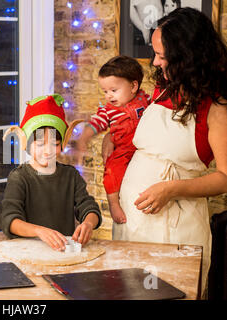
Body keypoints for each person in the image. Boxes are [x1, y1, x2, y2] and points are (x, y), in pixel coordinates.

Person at [106, 8, 227, 296]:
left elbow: (225, 177)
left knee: (168, 292)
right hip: (134, 222)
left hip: (176, 227)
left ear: (188, 56)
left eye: (162, 55)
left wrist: (171, 189)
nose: (155, 61)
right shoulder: (165, 88)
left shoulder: (217, 108)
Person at [0, 94, 102, 251]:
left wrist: (88, 223)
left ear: (63, 143)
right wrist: (39, 231)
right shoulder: (19, 177)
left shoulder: (70, 176)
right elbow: (9, 220)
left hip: (62, 252)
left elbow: (89, 207)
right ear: (26, 143)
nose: (47, 151)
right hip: (28, 252)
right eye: (40, 144)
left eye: (55, 144)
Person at [76, 56, 150, 225]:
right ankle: (114, 203)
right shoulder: (108, 111)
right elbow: (96, 123)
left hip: (144, 147)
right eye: (105, 91)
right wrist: (83, 138)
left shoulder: (145, 100)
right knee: (111, 172)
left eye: (113, 90)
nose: (109, 96)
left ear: (133, 86)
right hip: (123, 149)